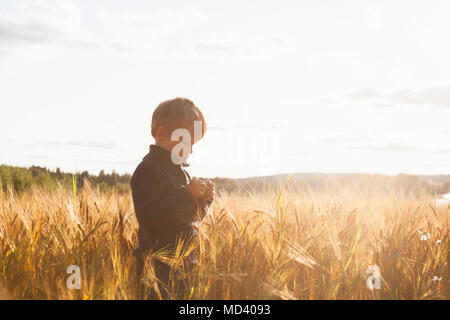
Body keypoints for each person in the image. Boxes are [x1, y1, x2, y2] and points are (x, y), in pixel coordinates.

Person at [130, 97, 214, 299]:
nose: (191, 150)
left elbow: (190, 221)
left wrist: (204, 201)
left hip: (185, 267)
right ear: (162, 134)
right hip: (158, 273)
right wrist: (188, 194)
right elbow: (150, 217)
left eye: (194, 144)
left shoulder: (182, 173)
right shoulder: (148, 170)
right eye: (187, 142)